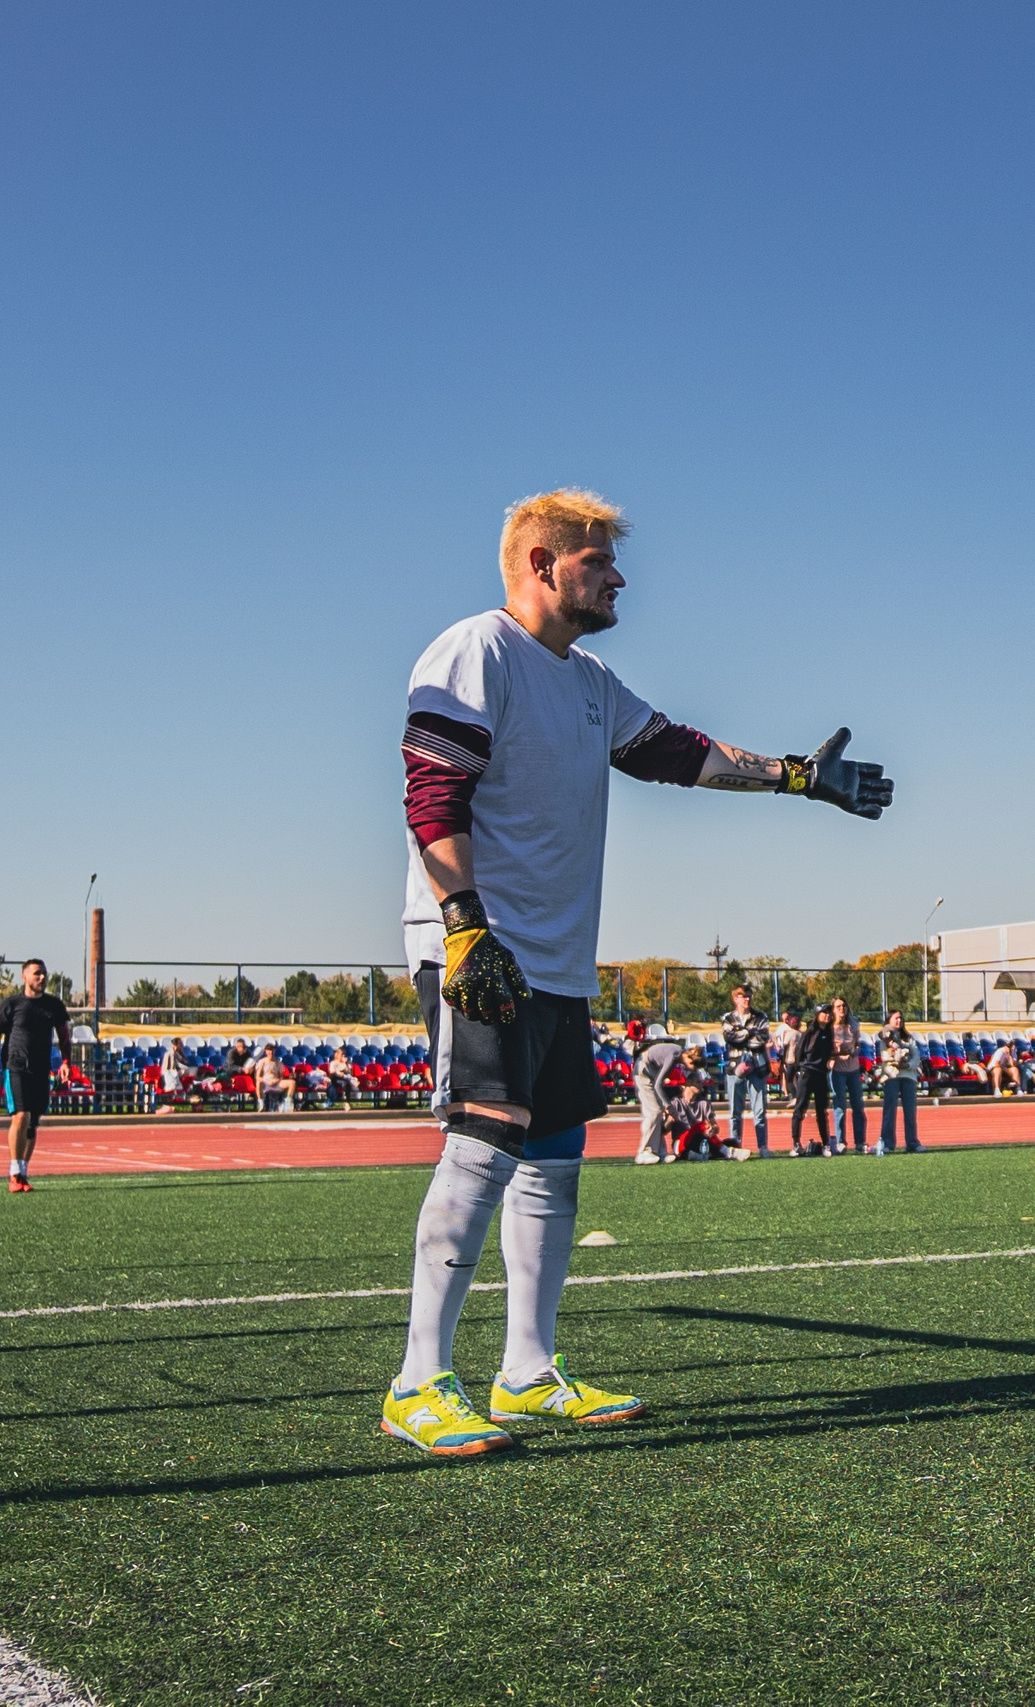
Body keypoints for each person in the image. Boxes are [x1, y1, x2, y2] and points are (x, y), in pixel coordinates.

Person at [384, 487, 893, 1457]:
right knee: (485, 1143)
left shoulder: (588, 680)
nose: (618, 576)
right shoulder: (474, 651)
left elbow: (674, 752)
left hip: (559, 959)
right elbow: (430, 796)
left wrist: (796, 775)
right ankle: (418, 1382)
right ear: (541, 563)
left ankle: (527, 1372)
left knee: (556, 1159)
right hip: (478, 942)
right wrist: (463, 928)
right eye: (598, 560)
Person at [0, 959, 72, 1193]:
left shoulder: (54, 1006)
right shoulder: (11, 1004)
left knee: (33, 1123)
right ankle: (14, 1173)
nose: (42, 978)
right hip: (16, 1067)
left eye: (44, 974)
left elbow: (64, 1037)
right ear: (25, 977)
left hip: (41, 1069)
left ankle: (23, 1173)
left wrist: (66, 1062)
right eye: (37, 974)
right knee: (21, 1115)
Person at [720, 984, 772, 1157]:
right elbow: (730, 1038)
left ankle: (763, 1147)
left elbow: (761, 1039)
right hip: (735, 1068)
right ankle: (736, 1146)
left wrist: (742, 1034)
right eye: (743, 996)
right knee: (735, 1111)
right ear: (736, 999)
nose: (747, 999)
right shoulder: (728, 1018)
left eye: (749, 996)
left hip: (757, 1067)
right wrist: (750, 1032)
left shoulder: (761, 1016)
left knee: (759, 1111)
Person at [788, 1004, 836, 1155]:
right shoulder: (809, 1032)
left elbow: (829, 1052)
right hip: (807, 1074)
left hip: (821, 1074)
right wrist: (801, 1069)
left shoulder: (829, 1032)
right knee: (800, 1109)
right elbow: (799, 1052)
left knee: (822, 1111)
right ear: (817, 1014)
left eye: (829, 1013)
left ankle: (826, 1143)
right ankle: (796, 1143)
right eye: (823, 1013)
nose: (827, 1015)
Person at [633, 1028, 684, 1164]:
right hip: (644, 1071)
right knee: (654, 1112)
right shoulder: (674, 1055)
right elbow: (658, 1085)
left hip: (652, 1073)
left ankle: (660, 1152)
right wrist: (669, 1106)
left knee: (659, 1112)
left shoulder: (678, 1054)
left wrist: (666, 1106)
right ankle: (644, 1151)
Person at [876, 1009, 924, 1153]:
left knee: (910, 1111)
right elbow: (884, 1056)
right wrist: (895, 1058)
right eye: (896, 1018)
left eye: (901, 1018)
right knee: (889, 1111)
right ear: (889, 1020)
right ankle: (887, 1143)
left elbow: (916, 1056)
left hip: (908, 1076)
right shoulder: (884, 1038)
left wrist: (908, 1064)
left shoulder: (909, 1038)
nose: (899, 1021)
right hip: (892, 1076)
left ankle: (912, 1143)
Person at [828, 996, 867, 1153]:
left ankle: (860, 1141)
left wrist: (852, 1051)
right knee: (840, 1107)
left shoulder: (853, 1025)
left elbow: (857, 1044)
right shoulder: (829, 1028)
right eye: (838, 1006)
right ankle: (841, 1141)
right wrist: (836, 1054)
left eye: (844, 1005)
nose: (841, 1009)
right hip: (837, 1070)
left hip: (853, 1069)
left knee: (858, 1106)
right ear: (833, 1009)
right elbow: (827, 1050)